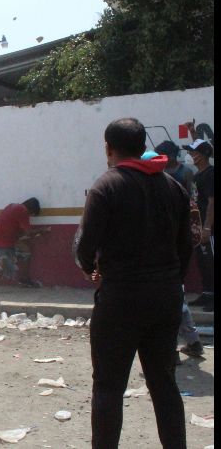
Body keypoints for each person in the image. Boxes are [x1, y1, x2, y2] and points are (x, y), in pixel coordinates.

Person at [77, 118, 191, 449]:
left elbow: (85, 246)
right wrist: (170, 281)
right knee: (164, 383)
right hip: (165, 297)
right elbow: (185, 248)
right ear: (144, 146)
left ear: (108, 149)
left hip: (121, 299)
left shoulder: (106, 186)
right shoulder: (174, 188)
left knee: (109, 387)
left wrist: (90, 268)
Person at [141, 150, 204, 360]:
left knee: (161, 307)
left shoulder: (150, 190)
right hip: (174, 259)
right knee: (177, 301)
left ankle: (171, 350)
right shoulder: (175, 187)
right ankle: (193, 342)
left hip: (158, 260)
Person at [0, 198, 50, 308]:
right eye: (32, 214)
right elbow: (28, 232)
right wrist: (42, 230)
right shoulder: (23, 211)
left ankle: (24, 279)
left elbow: (15, 230)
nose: (30, 216)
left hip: (0, 240)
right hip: (2, 244)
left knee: (25, 251)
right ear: (31, 209)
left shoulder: (13, 206)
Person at [183, 139, 214, 312]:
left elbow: (212, 203)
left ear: (202, 156)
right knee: (203, 262)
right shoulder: (198, 175)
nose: (191, 156)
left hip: (209, 229)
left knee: (211, 260)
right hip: (198, 225)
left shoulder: (211, 174)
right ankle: (208, 294)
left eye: (194, 153)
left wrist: (207, 228)